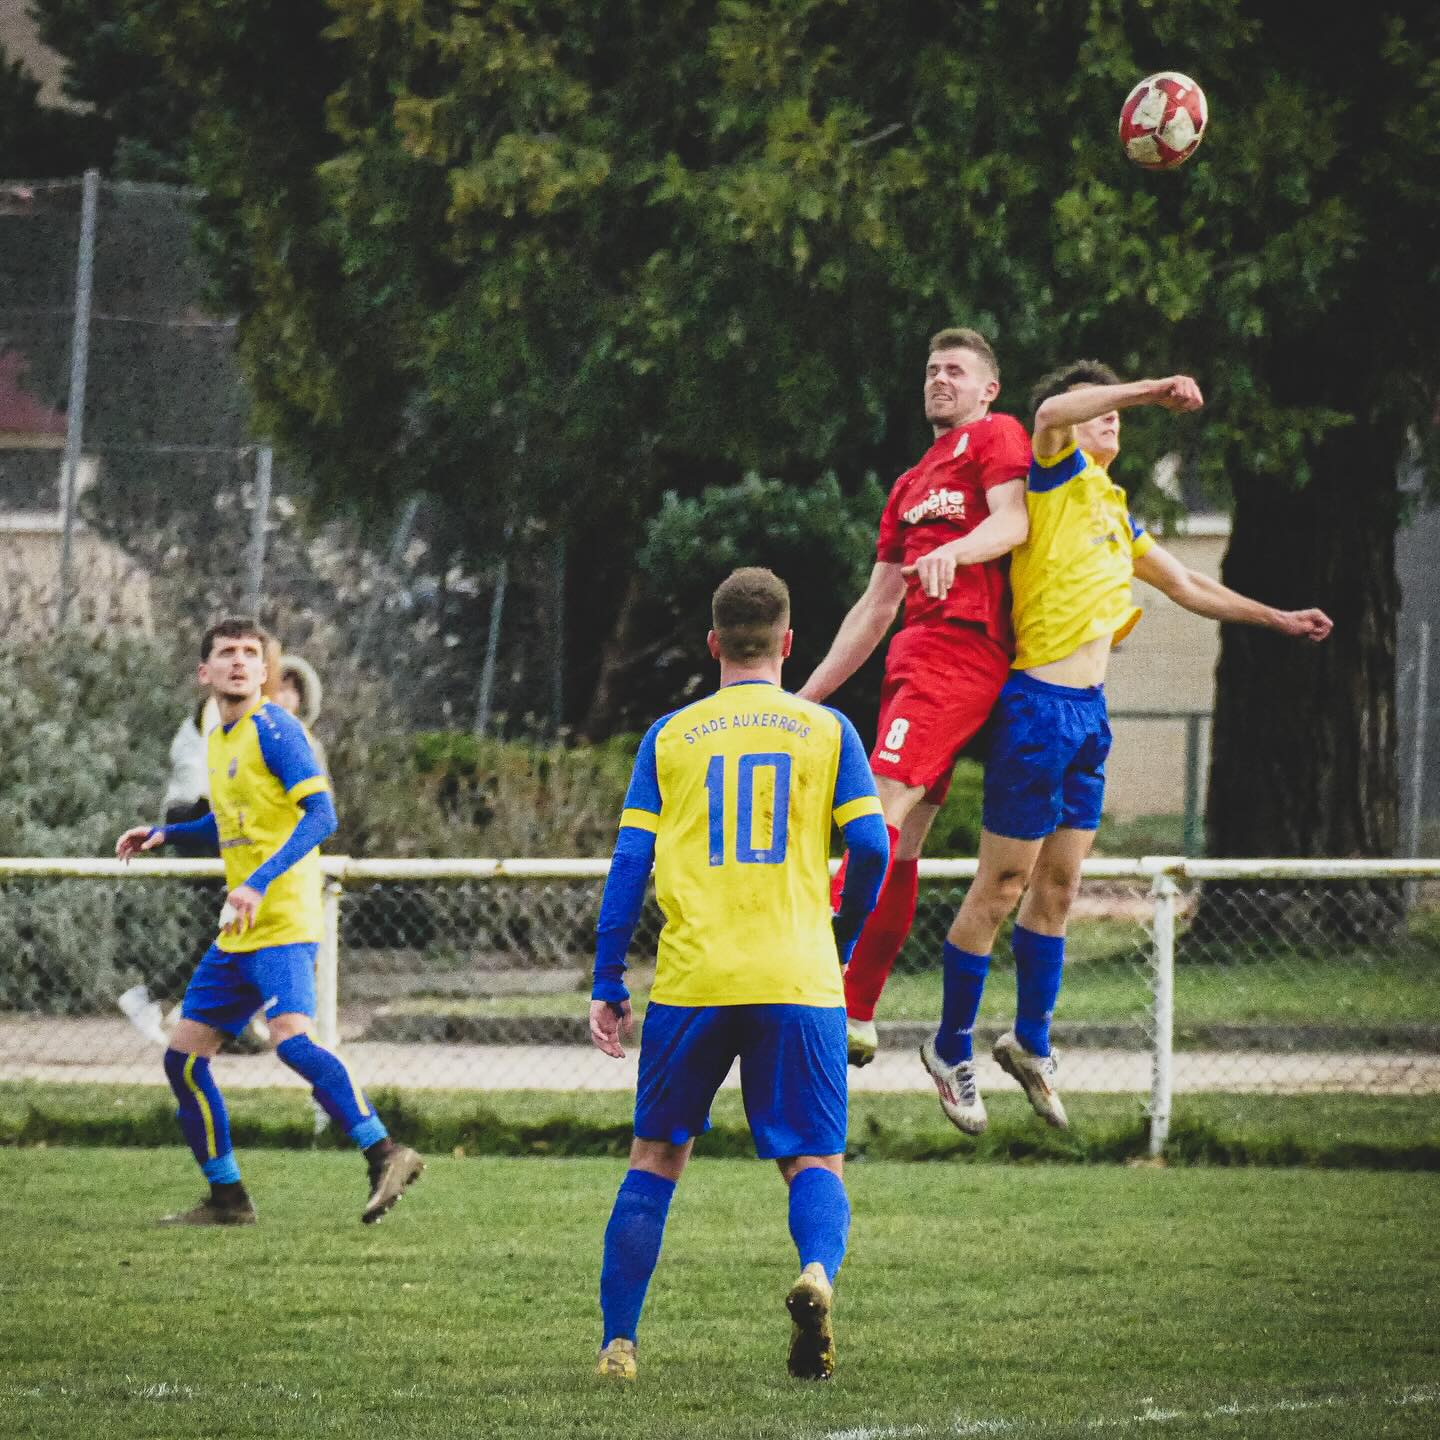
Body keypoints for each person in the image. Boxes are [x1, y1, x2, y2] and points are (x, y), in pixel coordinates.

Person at [919, 363, 1334, 1135]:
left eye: (1117, 412)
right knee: (1002, 884)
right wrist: (1145, 390)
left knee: (1059, 889)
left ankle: (1030, 1043)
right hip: (1037, 710)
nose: (1112, 419)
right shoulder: (1054, 476)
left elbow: (1188, 586)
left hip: (1088, 715)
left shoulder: (1114, 509)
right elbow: (1053, 408)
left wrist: (1278, 619)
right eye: (1101, 408)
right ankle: (948, 1048)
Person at [588, 568, 889, 1383]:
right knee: (814, 1161)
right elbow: (872, 847)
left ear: (713, 643)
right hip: (798, 976)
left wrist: (608, 978)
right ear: (789, 643)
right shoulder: (827, 731)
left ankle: (619, 1345)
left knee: (655, 1159)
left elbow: (630, 864)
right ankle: (816, 1273)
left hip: (694, 981)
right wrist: (842, 937)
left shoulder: (670, 736)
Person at [115, 616, 424, 1226]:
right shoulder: (218, 736)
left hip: (282, 919)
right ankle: (227, 1198)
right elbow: (232, 822)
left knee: (292, 1041)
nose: (238, 661)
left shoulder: (275, 729)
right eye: (226, 652)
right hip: (240, 930)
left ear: (265, 671)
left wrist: (257, 881)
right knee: (184, 1059)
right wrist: (166, 833)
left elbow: (322, 816)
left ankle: (386, 1151)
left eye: (250, 653)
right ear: (203, 672)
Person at [797, 326, 1031, 1067]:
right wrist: (804, 696)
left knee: (875, 809)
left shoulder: (995, 435)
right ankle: (857, 1011)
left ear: (988, 389)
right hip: (916, 654)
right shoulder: (908, 485)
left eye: (955, 370)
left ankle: (805, 973)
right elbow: (875, 608)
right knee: (904, 839)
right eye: (932, 370)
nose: (939, 380)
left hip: (958, 650)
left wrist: (955, 552)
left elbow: (1014, 520)